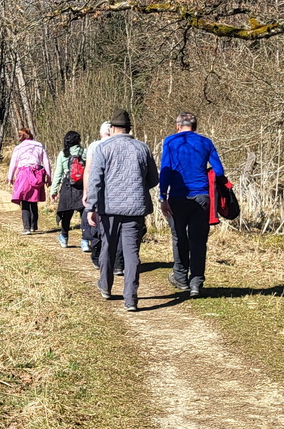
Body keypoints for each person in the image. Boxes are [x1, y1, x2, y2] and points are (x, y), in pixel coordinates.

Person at [83, 110, 159, 311]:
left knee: (108, 246)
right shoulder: (142, 148)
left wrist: (91, 207)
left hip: (109, 208)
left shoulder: (103, 148)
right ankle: (131, 299)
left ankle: (106, 287)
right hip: (135, 208)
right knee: (131, 252)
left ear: (112, 128)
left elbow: (95, 180)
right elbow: (153, 179)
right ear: (129, 128)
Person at [160, 112, 228, 298]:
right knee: (198, 240)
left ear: (178, 126)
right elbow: (219, 171)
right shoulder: (205, 142)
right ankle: (196, 281)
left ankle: (181, 277)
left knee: (179, 236)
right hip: (202, 197)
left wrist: (162, 196)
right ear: (195, 126)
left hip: (177, 197)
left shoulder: (170, 142)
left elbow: (165, 170)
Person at [48, 130, 88, 249]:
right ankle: (85, 241)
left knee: (66, 213)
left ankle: (64, 237)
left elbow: (58, 174)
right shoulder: (85, 152)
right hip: (82, 186)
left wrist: (53, 191)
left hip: (67, 186)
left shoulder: (63, 154)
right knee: (84, 214)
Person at [7, 128, 49, 234]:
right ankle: (33, 226)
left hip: (23, 174)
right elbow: (46, 162)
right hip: (37, 174)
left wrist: (10, 178)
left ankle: (26, 227)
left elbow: (13, 164)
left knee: (24, 200)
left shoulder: (19, 148)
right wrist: (49, 177)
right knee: (34, 200)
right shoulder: (39, 145)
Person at [81, 121, 112, 261]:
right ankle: (114, 258)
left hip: (97, 189)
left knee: (95, 221)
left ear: (100, 133)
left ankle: (97, 254)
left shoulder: (94, 146)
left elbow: (88, 170)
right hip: (114, 191)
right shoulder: (120, 144)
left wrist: (86, 192)